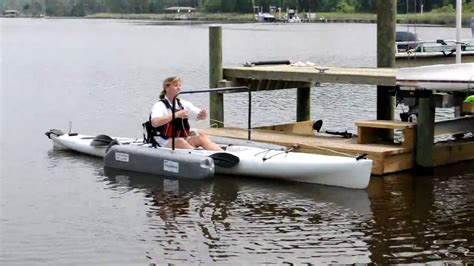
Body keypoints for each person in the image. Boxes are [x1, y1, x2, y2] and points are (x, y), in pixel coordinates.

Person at [149, 76, 223, 151]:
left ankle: (223, 155)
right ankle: (199, 157)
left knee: (202, 137)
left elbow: (198, 116)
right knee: (179, 141)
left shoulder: (183, 104)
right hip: (163, 140)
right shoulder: (159, 105)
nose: (179, 88)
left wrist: (203, 115)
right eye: (175, 85)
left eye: (179, 86)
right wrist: (176, 115)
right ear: (166, 87)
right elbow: (155, 122)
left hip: (182, 138)